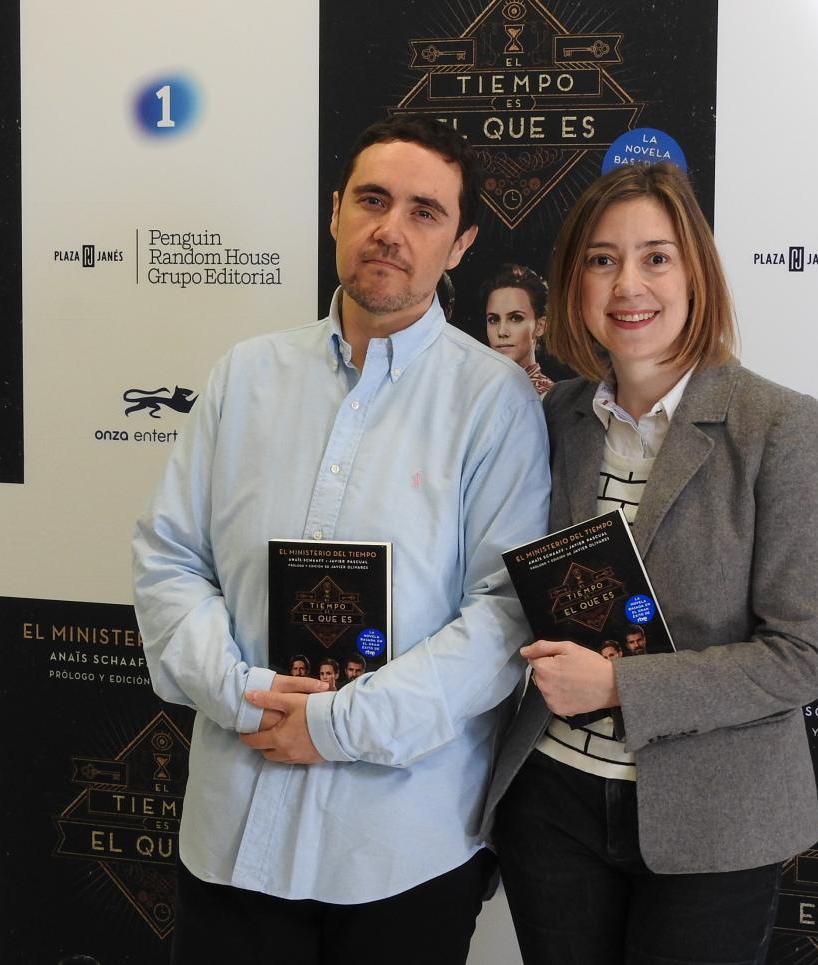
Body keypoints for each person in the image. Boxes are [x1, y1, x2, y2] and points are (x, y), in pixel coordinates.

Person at [133, 115, 549, 965]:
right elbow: (170, 559)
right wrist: (244, 693)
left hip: (401, 849)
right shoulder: (244, 376)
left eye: (425, 212)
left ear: (461, 244)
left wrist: (335, 725)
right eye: (372, 200)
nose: (391, 229)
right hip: (232, 833)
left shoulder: (494, 402)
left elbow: (502, 618)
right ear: (334, 213)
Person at [484, 163, 818, 965]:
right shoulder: (555, 416)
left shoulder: (779, 426)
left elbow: (804, 655)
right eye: (601, 259)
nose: (627, 284)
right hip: (553, 806)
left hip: (714, 820)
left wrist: (620, 685)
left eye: (655, 257)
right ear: (573, 284)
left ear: (695, 274)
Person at [481, 263, 554, 397]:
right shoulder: (477, 390)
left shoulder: (549, 400)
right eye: (493, 320)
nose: (501, 332)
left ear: (540, 326)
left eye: (515, 318)